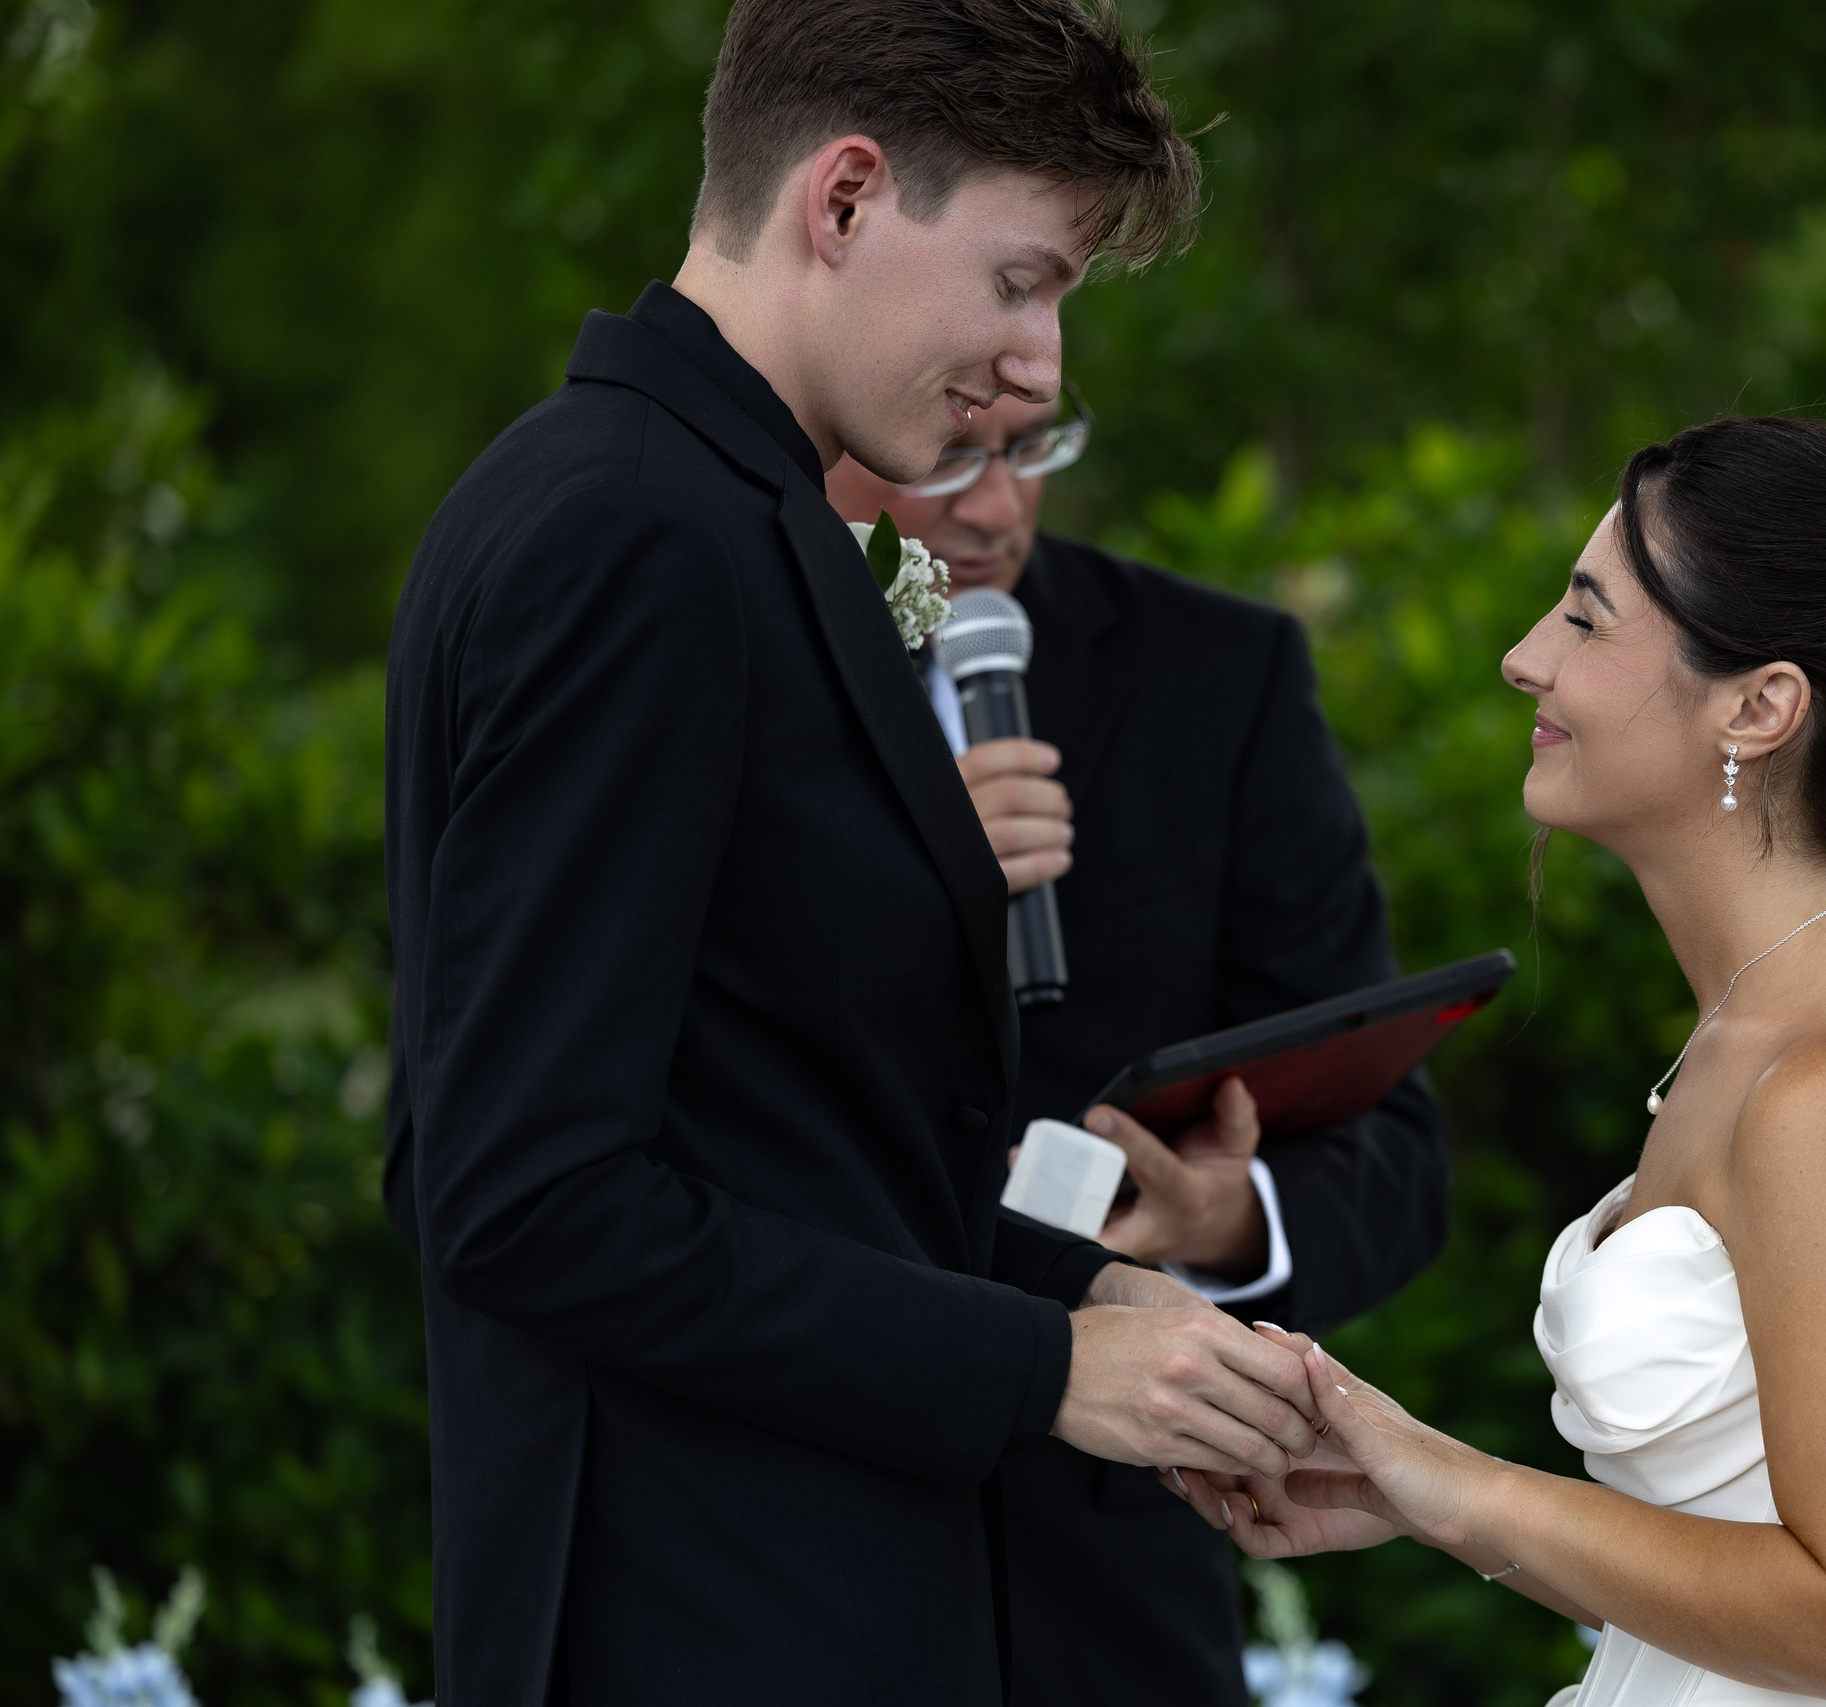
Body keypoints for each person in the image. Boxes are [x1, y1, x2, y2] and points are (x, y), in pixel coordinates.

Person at [380, 5, 1329, 1704]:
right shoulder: (632, 538)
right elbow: (522, 1196)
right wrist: (1038, 1365)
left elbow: (787, 1129)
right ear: (842, 198)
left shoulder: (716, 514)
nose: (1041, 370)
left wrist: (1103, 1295)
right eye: (1023, 281)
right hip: (694, 1623)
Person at [1167, 374, 1826, 1706]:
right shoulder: (1766, 1025)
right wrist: (1415, 1490)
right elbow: (1733, 1563)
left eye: (1585, 617)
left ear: (1758, 707)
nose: (1523, 657)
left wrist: (1465, 1488)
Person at [827, 388, 1451, 1705]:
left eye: (1027, 449)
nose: (995, 507)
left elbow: (1396, 1159)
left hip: (1110, 1589)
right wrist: (903, 885)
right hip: (791, 1533)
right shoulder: (722, 669)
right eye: (947, 456)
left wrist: (1228, 1220)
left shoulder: (1218, 677)